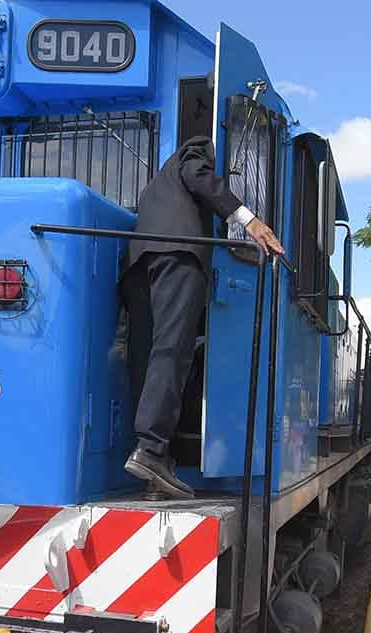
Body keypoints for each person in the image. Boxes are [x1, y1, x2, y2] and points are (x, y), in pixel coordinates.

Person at [120, 135, 284, 498]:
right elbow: (197, 172)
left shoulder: (153, 191)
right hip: (179, 256)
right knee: (172, 351)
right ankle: (151, 449)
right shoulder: (195, 150)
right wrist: (249, 219)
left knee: (146, 356)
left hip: (139, 263)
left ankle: (154, 462)